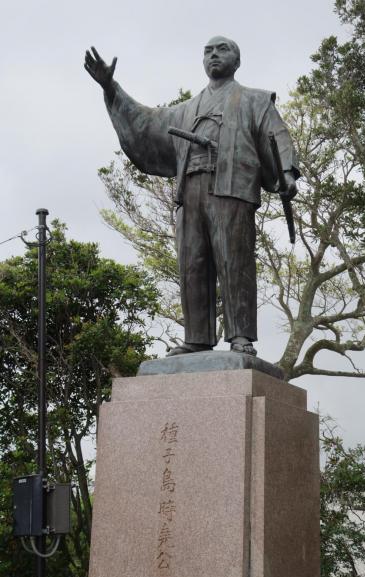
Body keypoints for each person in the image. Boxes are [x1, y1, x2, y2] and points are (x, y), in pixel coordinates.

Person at [84, 36, 299, 356]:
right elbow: (146, 123)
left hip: (230, 186)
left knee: (234, 260)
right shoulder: (186, 110)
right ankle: (197, 337)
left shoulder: (255, 100)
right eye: (208, 51)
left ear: (237, 62)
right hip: (190, 188)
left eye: (222, 49)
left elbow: (277, 135)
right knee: (192, 263)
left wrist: (287, 174)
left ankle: (241, 335)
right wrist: (110, 87)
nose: (214, 55)